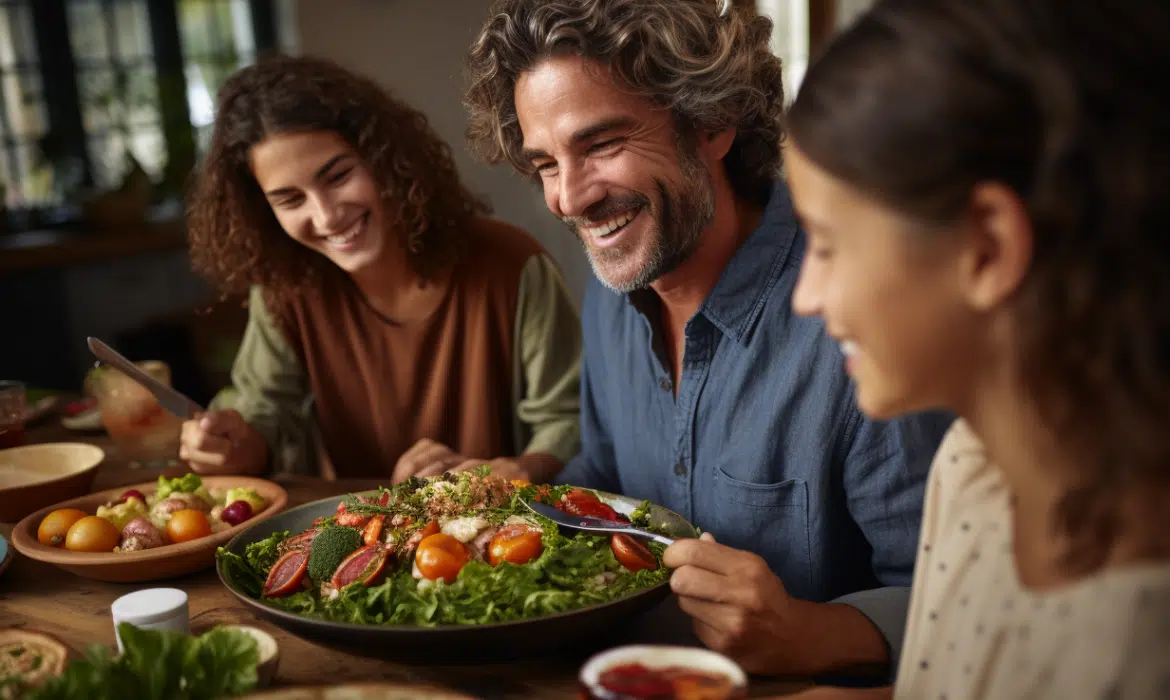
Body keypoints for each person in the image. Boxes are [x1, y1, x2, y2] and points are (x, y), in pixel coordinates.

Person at [465, 0, 953, 679]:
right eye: (546, 163)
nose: (570, 199)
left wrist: (806, 632)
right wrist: (504, 501)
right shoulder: (616, 284)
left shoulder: (857, 310)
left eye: (602, 145)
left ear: (713, 123)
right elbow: (603, 489)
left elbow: (956, 605)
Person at [782, 0, 1170, 697]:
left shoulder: (1136, 646)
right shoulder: (970, 471)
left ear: (986, 246)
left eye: (829, 245)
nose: (804, 297)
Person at [182, 54, 581, 484]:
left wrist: (519, 468)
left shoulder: (513, 265)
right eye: (290, 200)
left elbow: (573, 421)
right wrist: (232, 445)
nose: (327, 216)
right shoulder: (287, 288)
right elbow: (264, 412)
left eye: (337, 177)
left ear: (385, 158)